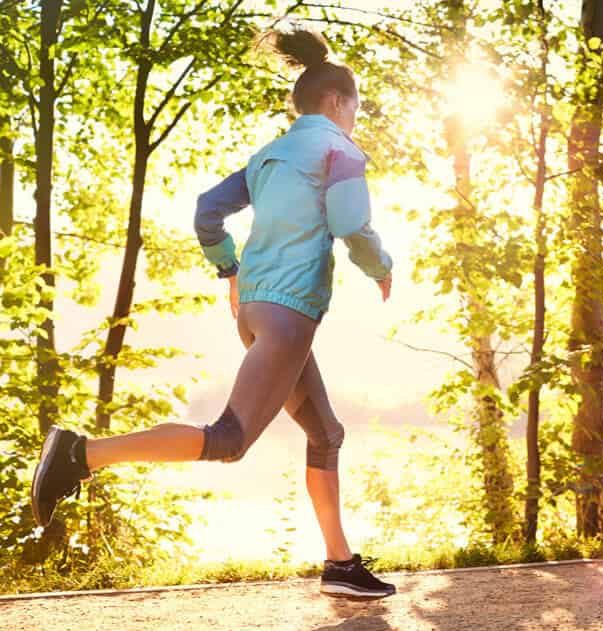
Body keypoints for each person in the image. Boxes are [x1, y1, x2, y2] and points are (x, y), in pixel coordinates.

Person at [30, 24, 396, 601]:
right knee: (228, 439)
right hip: (287, 316)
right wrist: (380, 268)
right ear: (335, 101)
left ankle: (340, 564)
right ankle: (81, 454)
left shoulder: (268, 156)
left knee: (325, 432)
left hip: (256, 310)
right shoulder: (339, 150)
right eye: (355, 107)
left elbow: (207, 212)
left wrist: (230, 272)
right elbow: (351, 225)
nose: (356, 118)